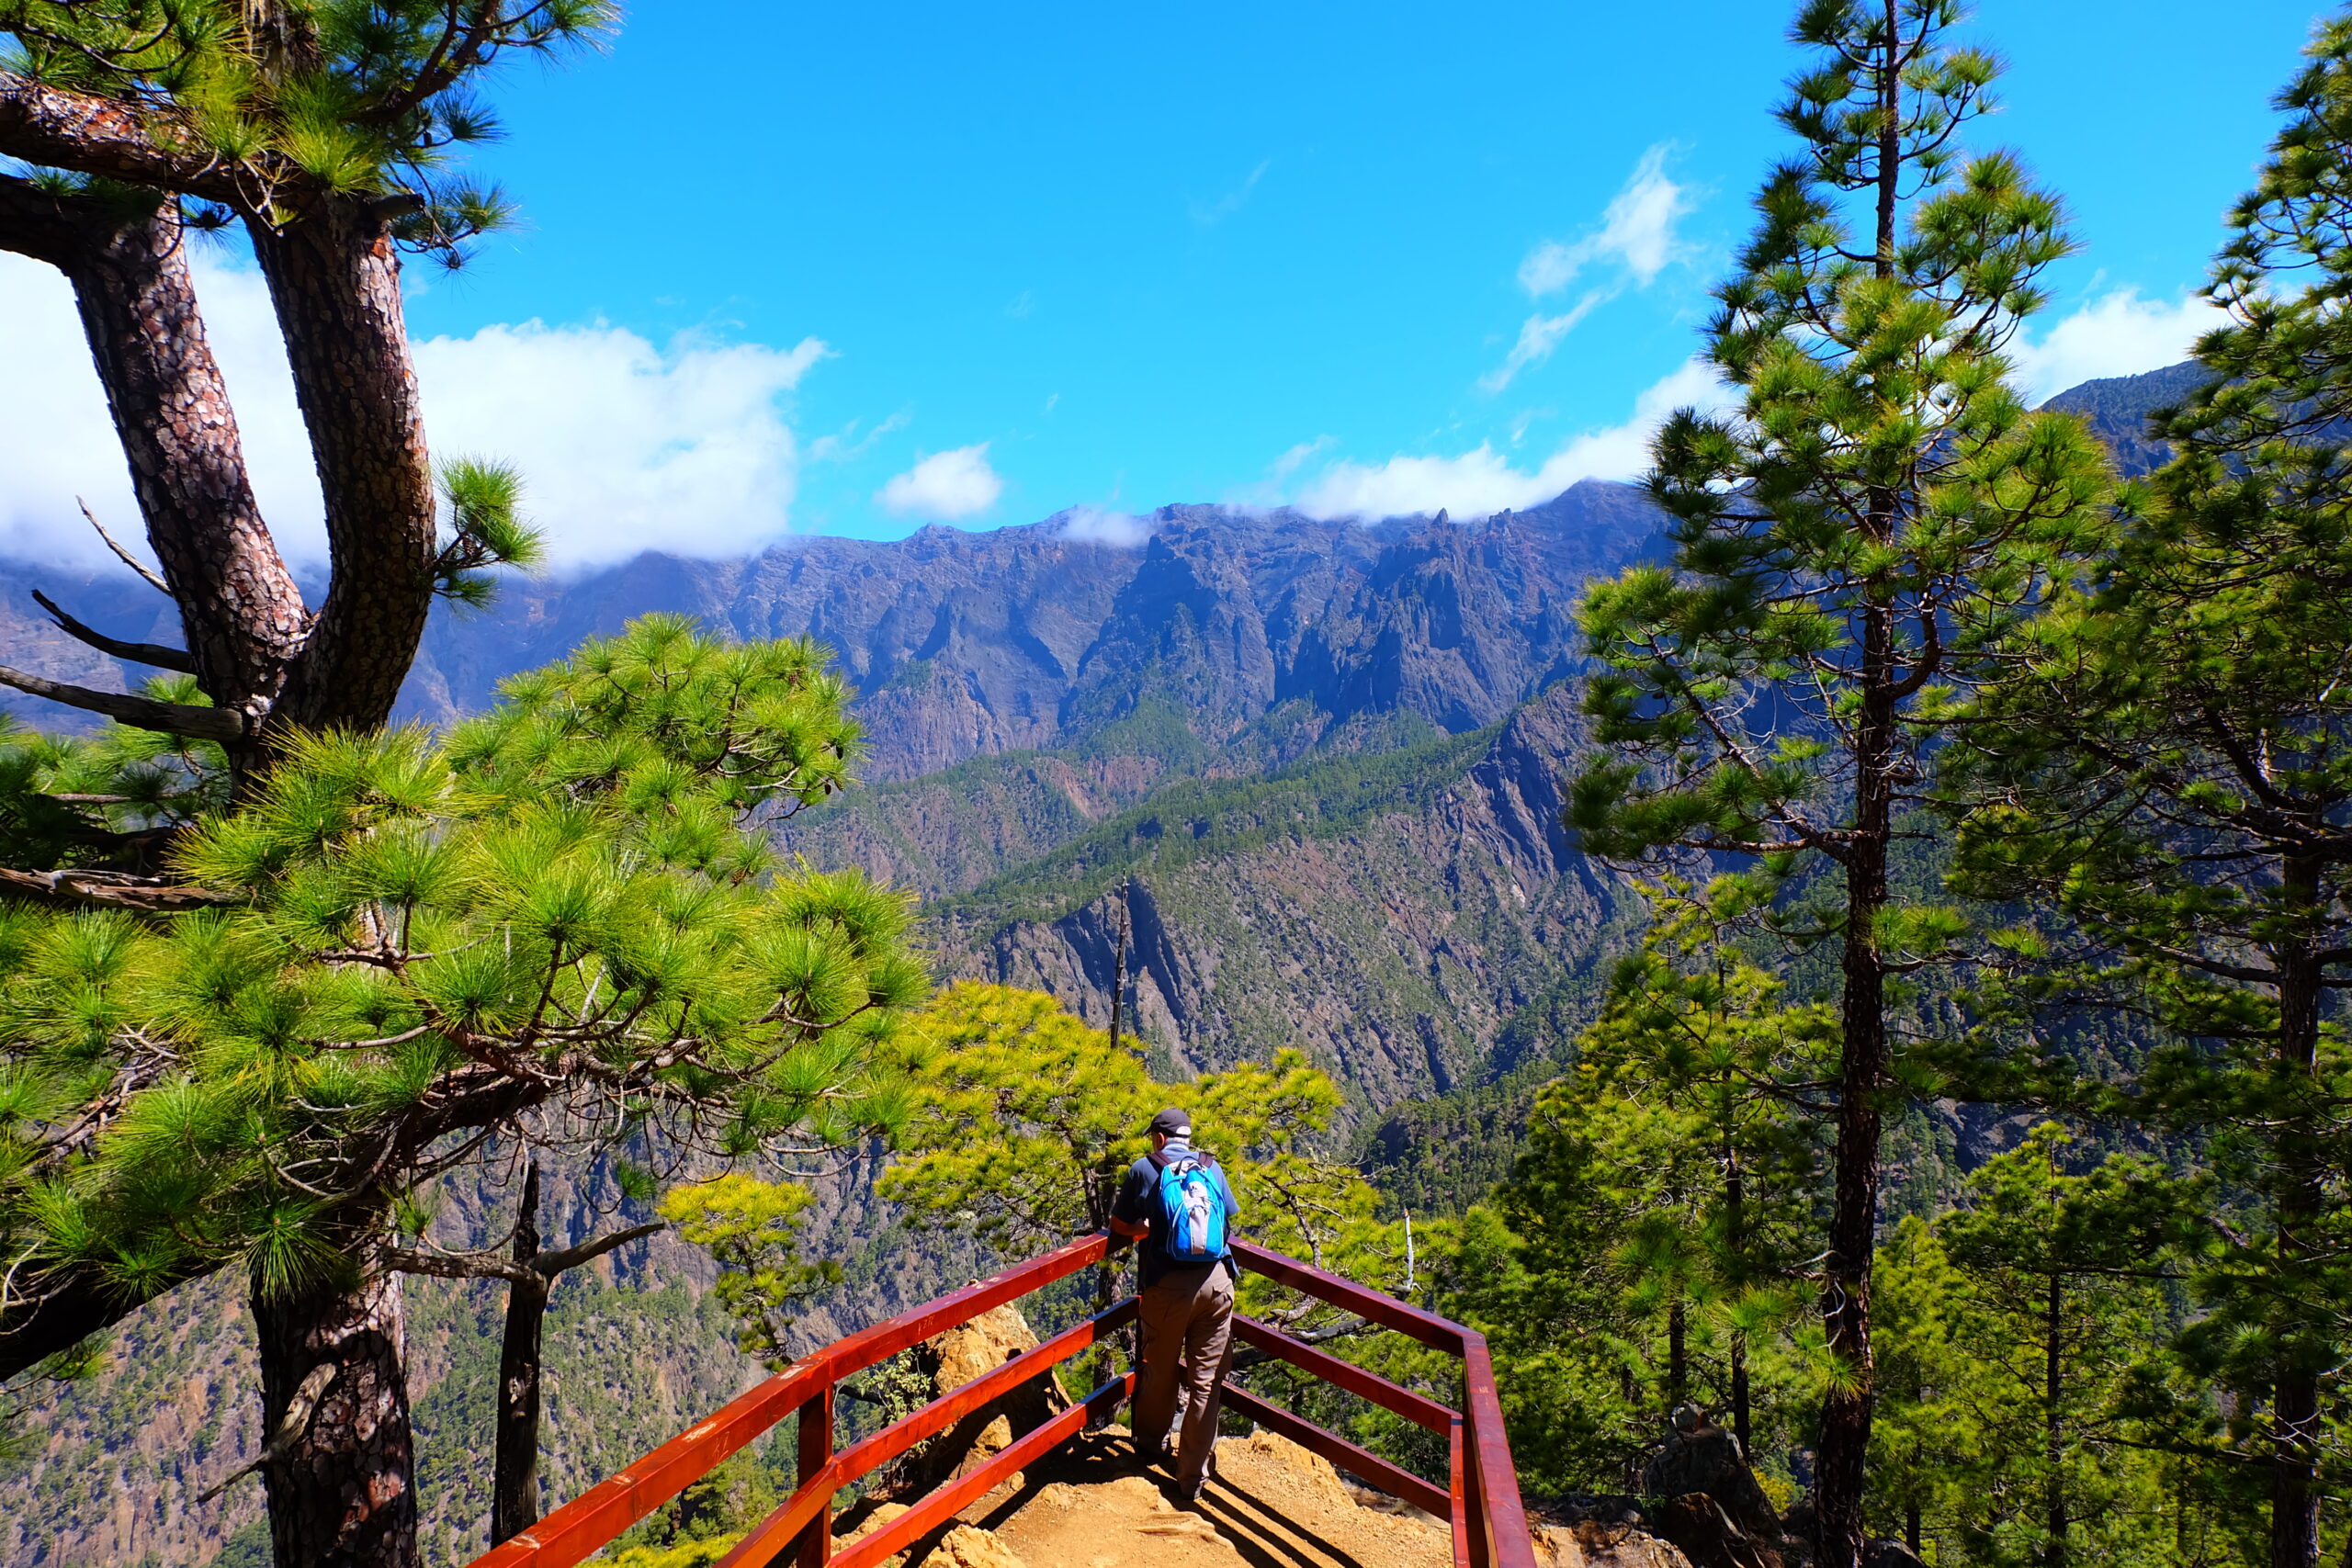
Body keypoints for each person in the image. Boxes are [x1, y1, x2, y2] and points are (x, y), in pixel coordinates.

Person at [1108, 1105, 1241, 1502]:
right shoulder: (1211, 1167)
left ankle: (1150, 1448)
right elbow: (1228, 1220)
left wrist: (1142, 1230)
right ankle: (1191, 1478)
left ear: (1160, 1138)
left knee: (1159, 1371)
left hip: (1166, 1288)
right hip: (1217, 1284)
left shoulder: (1145, 1168)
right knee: (1206, 1383)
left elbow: (1118, 1224)